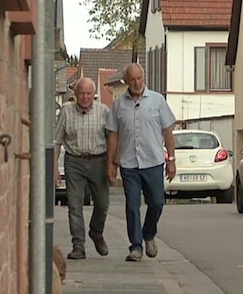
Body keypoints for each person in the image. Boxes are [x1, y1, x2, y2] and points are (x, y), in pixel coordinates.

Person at [105, 63, 177, 262]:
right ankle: (135, 246)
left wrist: (171, 159)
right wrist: (110, 163)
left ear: (143, 78)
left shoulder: (157, 100)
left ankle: (149, 234)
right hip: (129, 164)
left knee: (156, 202)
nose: (137, 83)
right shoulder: (119, 105)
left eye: (139, 79)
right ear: (126, 82)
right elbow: (113, 135)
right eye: (132, 80)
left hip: (153, 160)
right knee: (132, 206)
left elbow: (168, 131)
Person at [53, 77, 111, 260]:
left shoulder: (104, 112)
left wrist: (112, 163)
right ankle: (78, 245)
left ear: (94, 95)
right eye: (81, 93)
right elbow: (57, 141)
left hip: (99, 160)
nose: (85, 97)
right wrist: (54, 166)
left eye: (88, 93)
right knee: (74, 205)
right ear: (75, 94)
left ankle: (96, 232)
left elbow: (112, 139)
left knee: (102, 204)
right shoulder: (66, 111)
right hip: (74, 161)